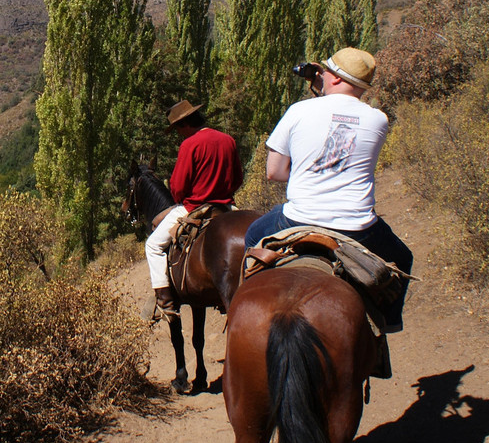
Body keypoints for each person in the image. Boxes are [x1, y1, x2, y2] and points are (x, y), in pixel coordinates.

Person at [243, 47, 413, 331]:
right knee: (403, 257)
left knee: (252, 234)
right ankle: (390, 323)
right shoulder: (378, 119)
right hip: (357, 227)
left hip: (298, 220)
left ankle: (244, 305)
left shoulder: (298, 110)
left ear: (332, 78)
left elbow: (274, 172)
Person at [146, 100, 244, 316]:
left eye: (177, 130)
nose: (178, 135)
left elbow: (178, 186)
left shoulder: (190, 144)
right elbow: (238, 178)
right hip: (227, 207)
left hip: (194, 207)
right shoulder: (228, 140)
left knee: (152, 245)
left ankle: (164, 301)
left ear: (184, 124)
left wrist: (184, 197)